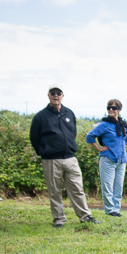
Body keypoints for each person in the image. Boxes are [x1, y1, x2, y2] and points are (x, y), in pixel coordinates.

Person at [29, 84, 100, 228]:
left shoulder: (69, 113)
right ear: (48, 95)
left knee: (77, 188)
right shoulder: (40, 117)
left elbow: (72, 133)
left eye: (58, 93)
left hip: (70, 158)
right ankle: (59, 220)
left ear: (62, 95)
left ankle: (85, 217)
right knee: (54, 191)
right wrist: (45, 152)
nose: (56, 95)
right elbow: (34, 138)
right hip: (51, 160)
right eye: (53, 93)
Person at [86, 99, 127, 217]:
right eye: (109, 107)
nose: (111, 109)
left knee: (118, 186)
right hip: (108, 159)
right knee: (107, 186)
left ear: (119, 110)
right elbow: (90, 136)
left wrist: (121, 149)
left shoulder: (122, 124)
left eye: (114, 108)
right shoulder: (104, 124)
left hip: (122, 160)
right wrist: (99, 148)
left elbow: (126, 139)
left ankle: (116, 209)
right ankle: (110, 210)